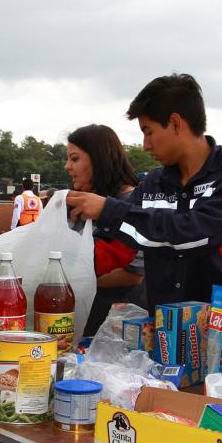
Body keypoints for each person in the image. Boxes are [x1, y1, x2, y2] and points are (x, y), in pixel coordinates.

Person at [67, 74, 222, 443]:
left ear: (177, 123)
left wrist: (112, 209)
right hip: (160, 343)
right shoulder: (153, 184)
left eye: (148, 130)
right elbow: (124, 244)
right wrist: (62, 243)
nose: (144, 143)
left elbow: (197, 233)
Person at [65, 125, 148, 336]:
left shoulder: (133, 204)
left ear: (98, 159)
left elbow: (134, 274)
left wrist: (68, 284)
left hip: (118, 324)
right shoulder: (78, 204)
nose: (67, 166)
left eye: (74, 159)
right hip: (85, 317)